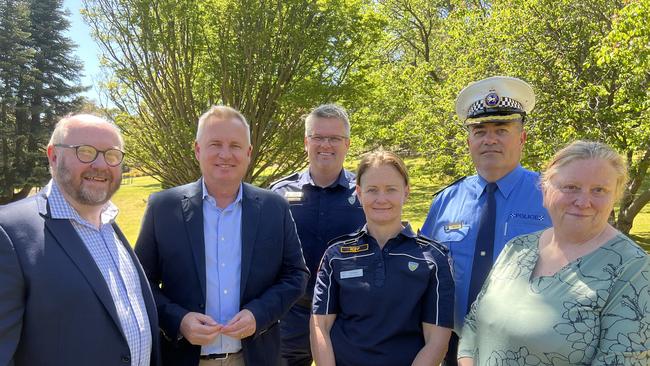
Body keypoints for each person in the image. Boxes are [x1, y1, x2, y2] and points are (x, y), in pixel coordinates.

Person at [135, 105, 309, 366]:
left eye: (235, 145)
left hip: (254, 358)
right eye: (215, 143)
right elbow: (139, 281)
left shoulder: (275, 207)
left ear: (248, 153)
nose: (225, 154)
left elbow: (296, 275)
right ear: (197, 150)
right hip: (183, 358)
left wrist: (258, 315)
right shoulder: (163, 207)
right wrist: (179, 320)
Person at [457, 140, 650, 365]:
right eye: (571, 187)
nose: (583, 201)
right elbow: (473, 325)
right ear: (545, 189)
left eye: (599, 190)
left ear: (615, 196)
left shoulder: (633, 269)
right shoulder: (518, 247)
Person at [0, 114, 160, 366]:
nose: (100, 164)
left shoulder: (111, 225)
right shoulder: (8, 233)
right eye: (85, 151)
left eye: (111, 155)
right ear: (53, 156)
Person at [421, 76, 552, 365]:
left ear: (522, 138)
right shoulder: (445, 201)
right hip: (453, 347)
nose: (489, 139)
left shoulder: (552, 198)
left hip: (526, 350)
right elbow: (426, 275)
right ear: (469, 140)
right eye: (480, 131)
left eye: (501, 129)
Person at [311, 149, 454, 366]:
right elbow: (320, 325)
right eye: (372, 190)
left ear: (406, 192)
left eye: (391, 189)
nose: (381, 199)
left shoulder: (433, 258)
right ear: (359, 193)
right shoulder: (336, 255)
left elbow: (437, 339)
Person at [270, 104, 365, 366]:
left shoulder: (365, 193)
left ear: (346, 144)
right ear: (306, 142)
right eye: (318, 137)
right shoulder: (278, 194)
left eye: (334, 138)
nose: (326, 145)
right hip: (291, 313)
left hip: (348, 314)